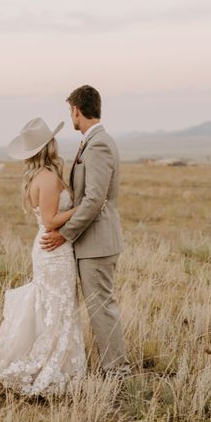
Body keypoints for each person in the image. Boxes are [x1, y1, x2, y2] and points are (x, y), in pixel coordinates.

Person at [0, 117, 87, 396]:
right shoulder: (50, 179)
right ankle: (51, 364)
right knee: (59, 307)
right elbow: (51, 221)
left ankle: (56, 359)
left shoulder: (37, 177)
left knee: (52, 305)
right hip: (54, 249)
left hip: (47, 249)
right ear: (49, 146)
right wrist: (82, 209)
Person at [41, 85, 130, 376]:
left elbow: (94, 200)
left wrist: (65, 234)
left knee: (101, 308)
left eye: (71, 111)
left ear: (77, 110)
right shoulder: (90, 142)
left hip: (98, 243)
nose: (71, 116)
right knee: (99, 307)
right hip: (91, 243)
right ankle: (110, 366)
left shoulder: (100, 144)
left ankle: (117, 371)